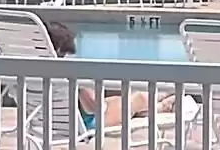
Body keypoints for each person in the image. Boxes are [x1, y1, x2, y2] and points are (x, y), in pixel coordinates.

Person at [45, 19, 178, 136]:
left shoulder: (34, 71)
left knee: (123, 100)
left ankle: (162, 102)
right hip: (86, 125)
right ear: (61, 51)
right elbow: (94, 107)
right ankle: (168, 95)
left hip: (48, 124)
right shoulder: (71, 73)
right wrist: (83, 86)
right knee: (138, 99)